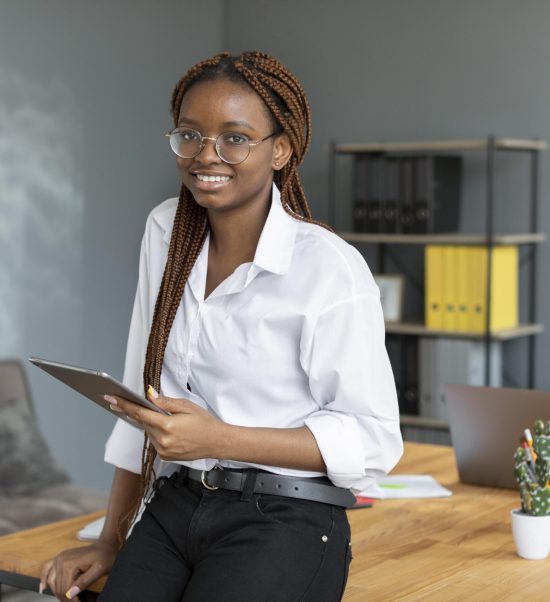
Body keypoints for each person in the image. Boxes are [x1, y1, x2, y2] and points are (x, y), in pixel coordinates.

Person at [40, 51, 403, 602]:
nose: (206, 155)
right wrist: (110, 541)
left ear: (281, 149)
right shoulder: (165, 231)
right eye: (190, 134)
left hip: (285, 516)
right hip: (176, 504)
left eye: (236, 138)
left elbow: (374, 439)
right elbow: (145, 399)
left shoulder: (328, 268)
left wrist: (219, 438)